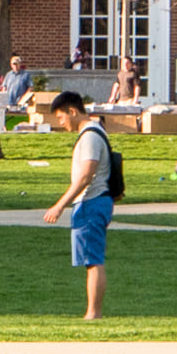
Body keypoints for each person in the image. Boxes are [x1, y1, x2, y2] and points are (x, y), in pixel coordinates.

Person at [42, 99, 121, 322]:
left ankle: (93, 313)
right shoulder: (96, 132)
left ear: (73, 111)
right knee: (91, 259)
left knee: (93, 260)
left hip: (90, 201)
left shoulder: (89, 136)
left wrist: (59, 205)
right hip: (96, 202)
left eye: (61, 117)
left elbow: (86, 176)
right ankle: (93, 312)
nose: (61, 122)